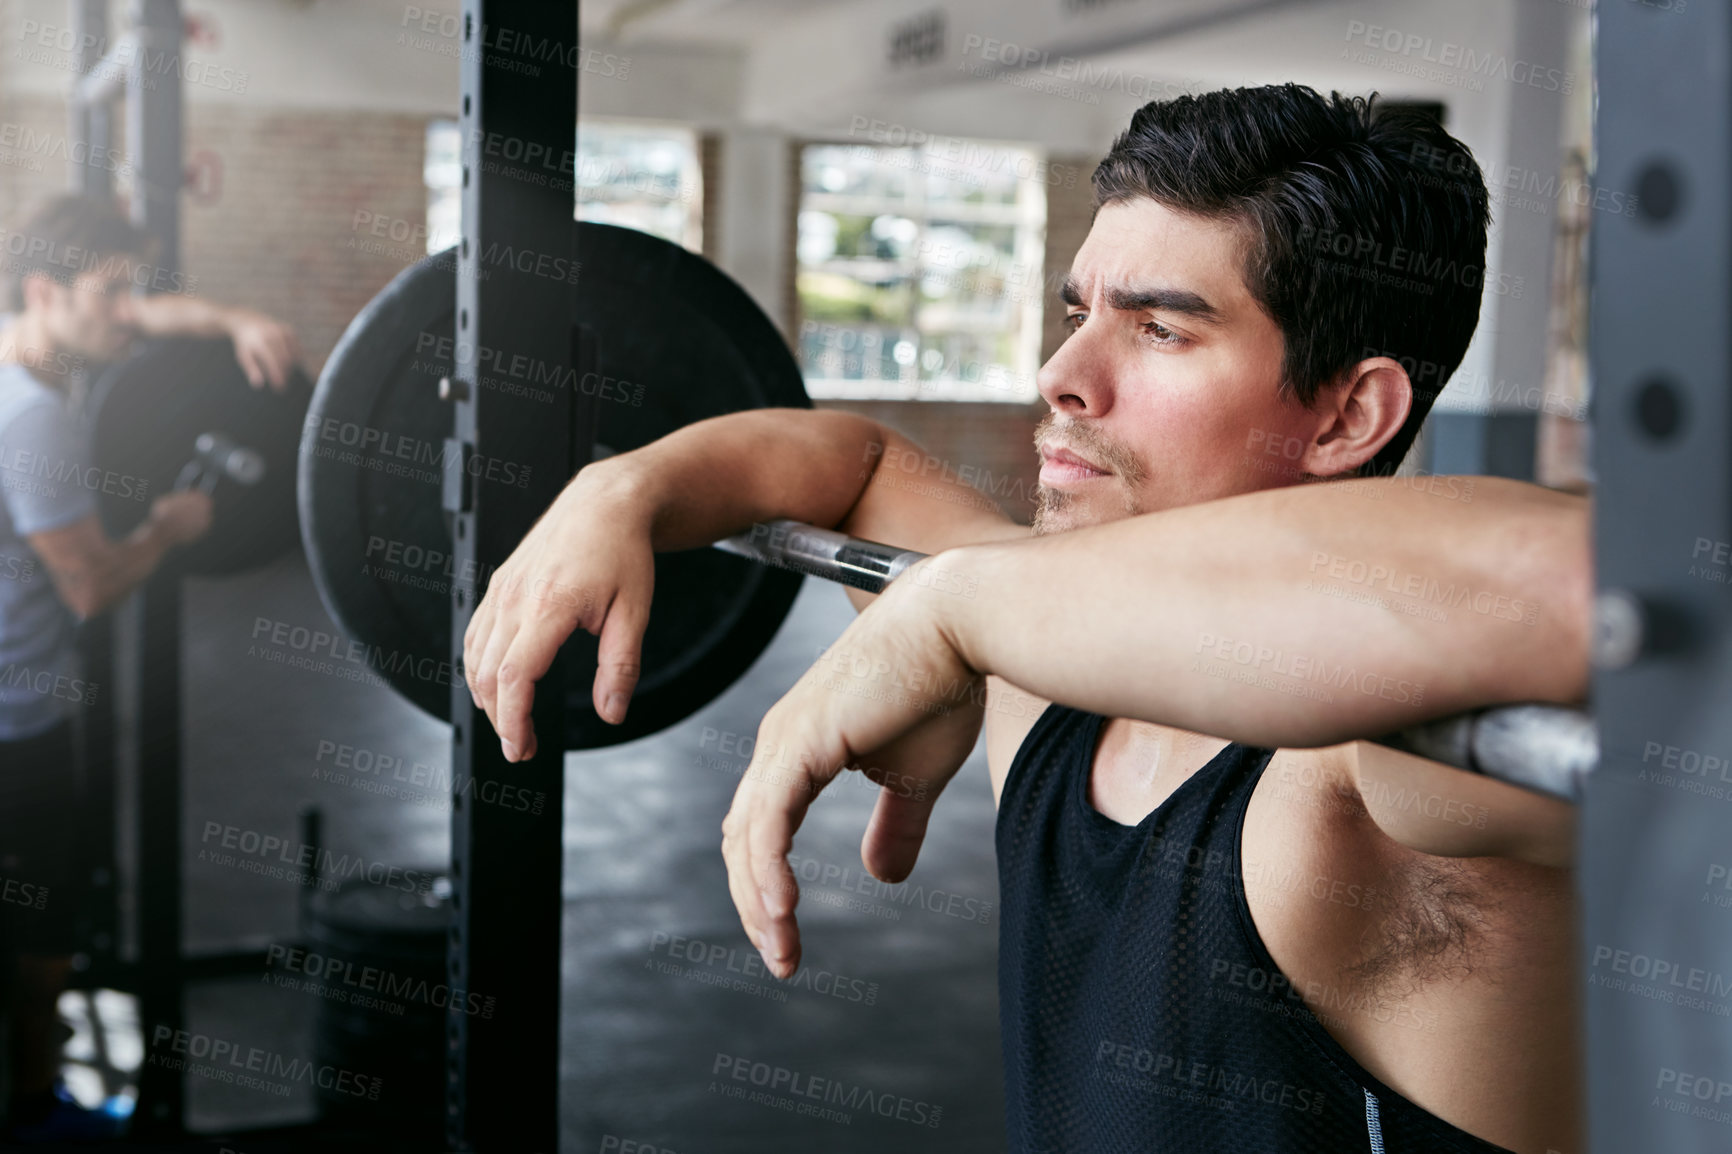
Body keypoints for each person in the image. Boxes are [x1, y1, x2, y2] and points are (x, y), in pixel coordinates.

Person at [462, 87, 1589, 1153]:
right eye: (1076, 311)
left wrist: (951, 608)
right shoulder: (1041, 652)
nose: (1061, 373)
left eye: (1158, 330)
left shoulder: (1374, 781)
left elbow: (1569, 581)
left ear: (1351, 412)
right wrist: (622, 487)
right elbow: (853, 460)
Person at [0, 193, 299, 1142]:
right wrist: (169, 529)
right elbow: (89, 587)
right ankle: (37, 1113)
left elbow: (136, 319)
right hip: (17, 726)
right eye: (110, 290)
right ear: (46, 292)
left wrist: (235, 320)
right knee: (40, 933)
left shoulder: (20, 353)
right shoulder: (37, 417)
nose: (127, 311)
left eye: (134, 287)